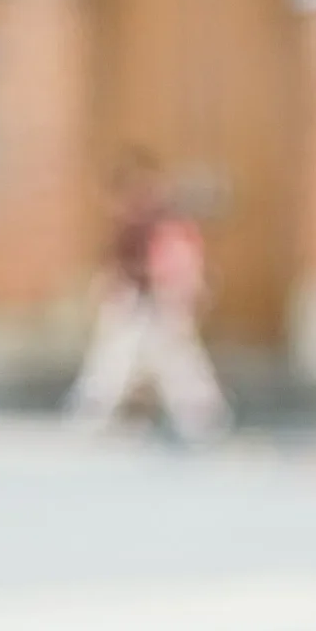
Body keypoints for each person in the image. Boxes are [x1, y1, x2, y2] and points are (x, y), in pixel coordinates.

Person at [63, 156, 232, 441]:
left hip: (161, 301)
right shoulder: (130, 225)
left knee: (177, 362)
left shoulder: (166, 224)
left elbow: (179, 263)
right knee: (114, 362)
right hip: (133, 303)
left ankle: (202, 418)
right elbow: (117, 264)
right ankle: (91, 416)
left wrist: (184, 289)